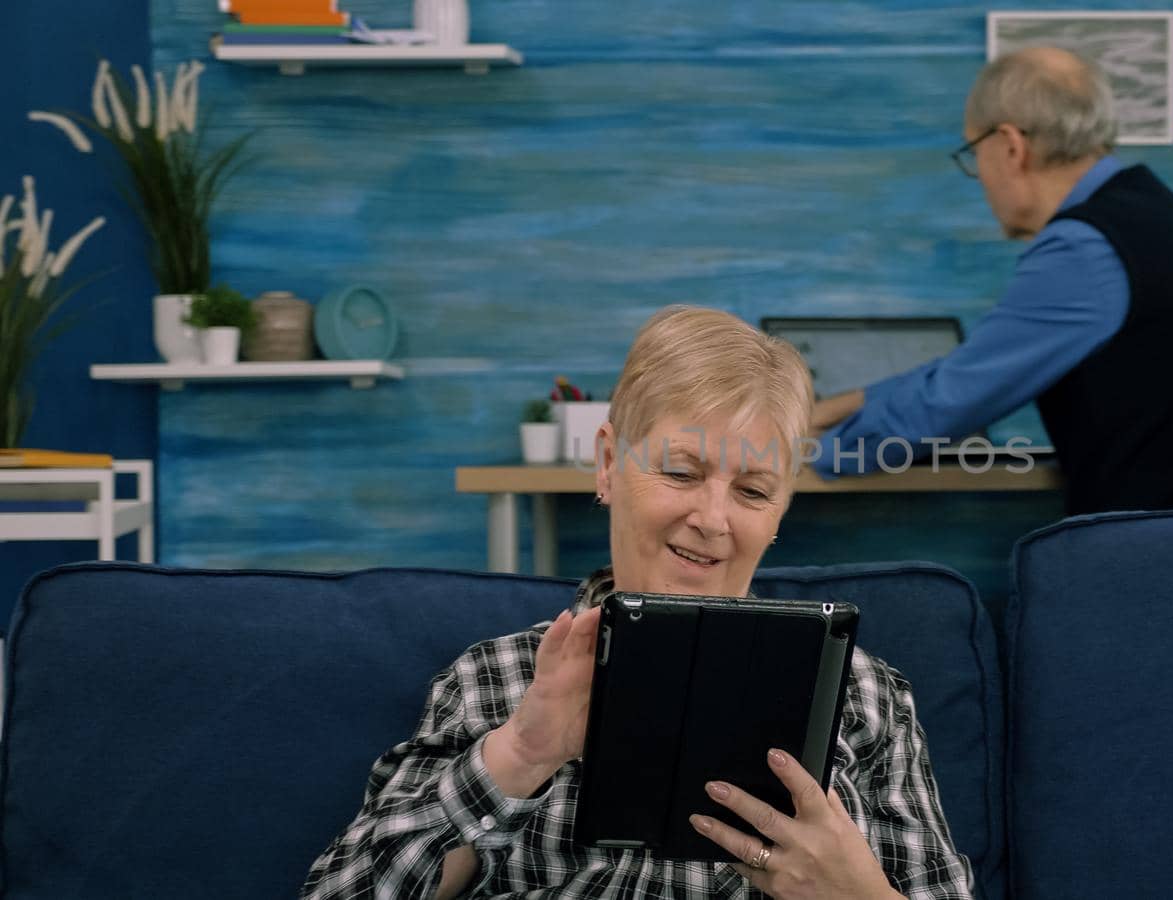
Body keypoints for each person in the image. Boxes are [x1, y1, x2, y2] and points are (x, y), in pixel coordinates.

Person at [301, 306, 974, 900]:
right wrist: (518, 756)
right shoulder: (495, 680)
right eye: (681, 472)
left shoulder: (866, 697)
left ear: (780, 513)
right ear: (606, 466)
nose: (713, 518)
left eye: (752, 491)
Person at [812, 47, 1173, 517]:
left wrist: (803, 454)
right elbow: (970, 371)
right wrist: (850, 404)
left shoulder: (1085, 249)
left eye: (973, 153)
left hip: (1153, 551)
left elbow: (948, 403)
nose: (980, 180)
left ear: (1011, 146)